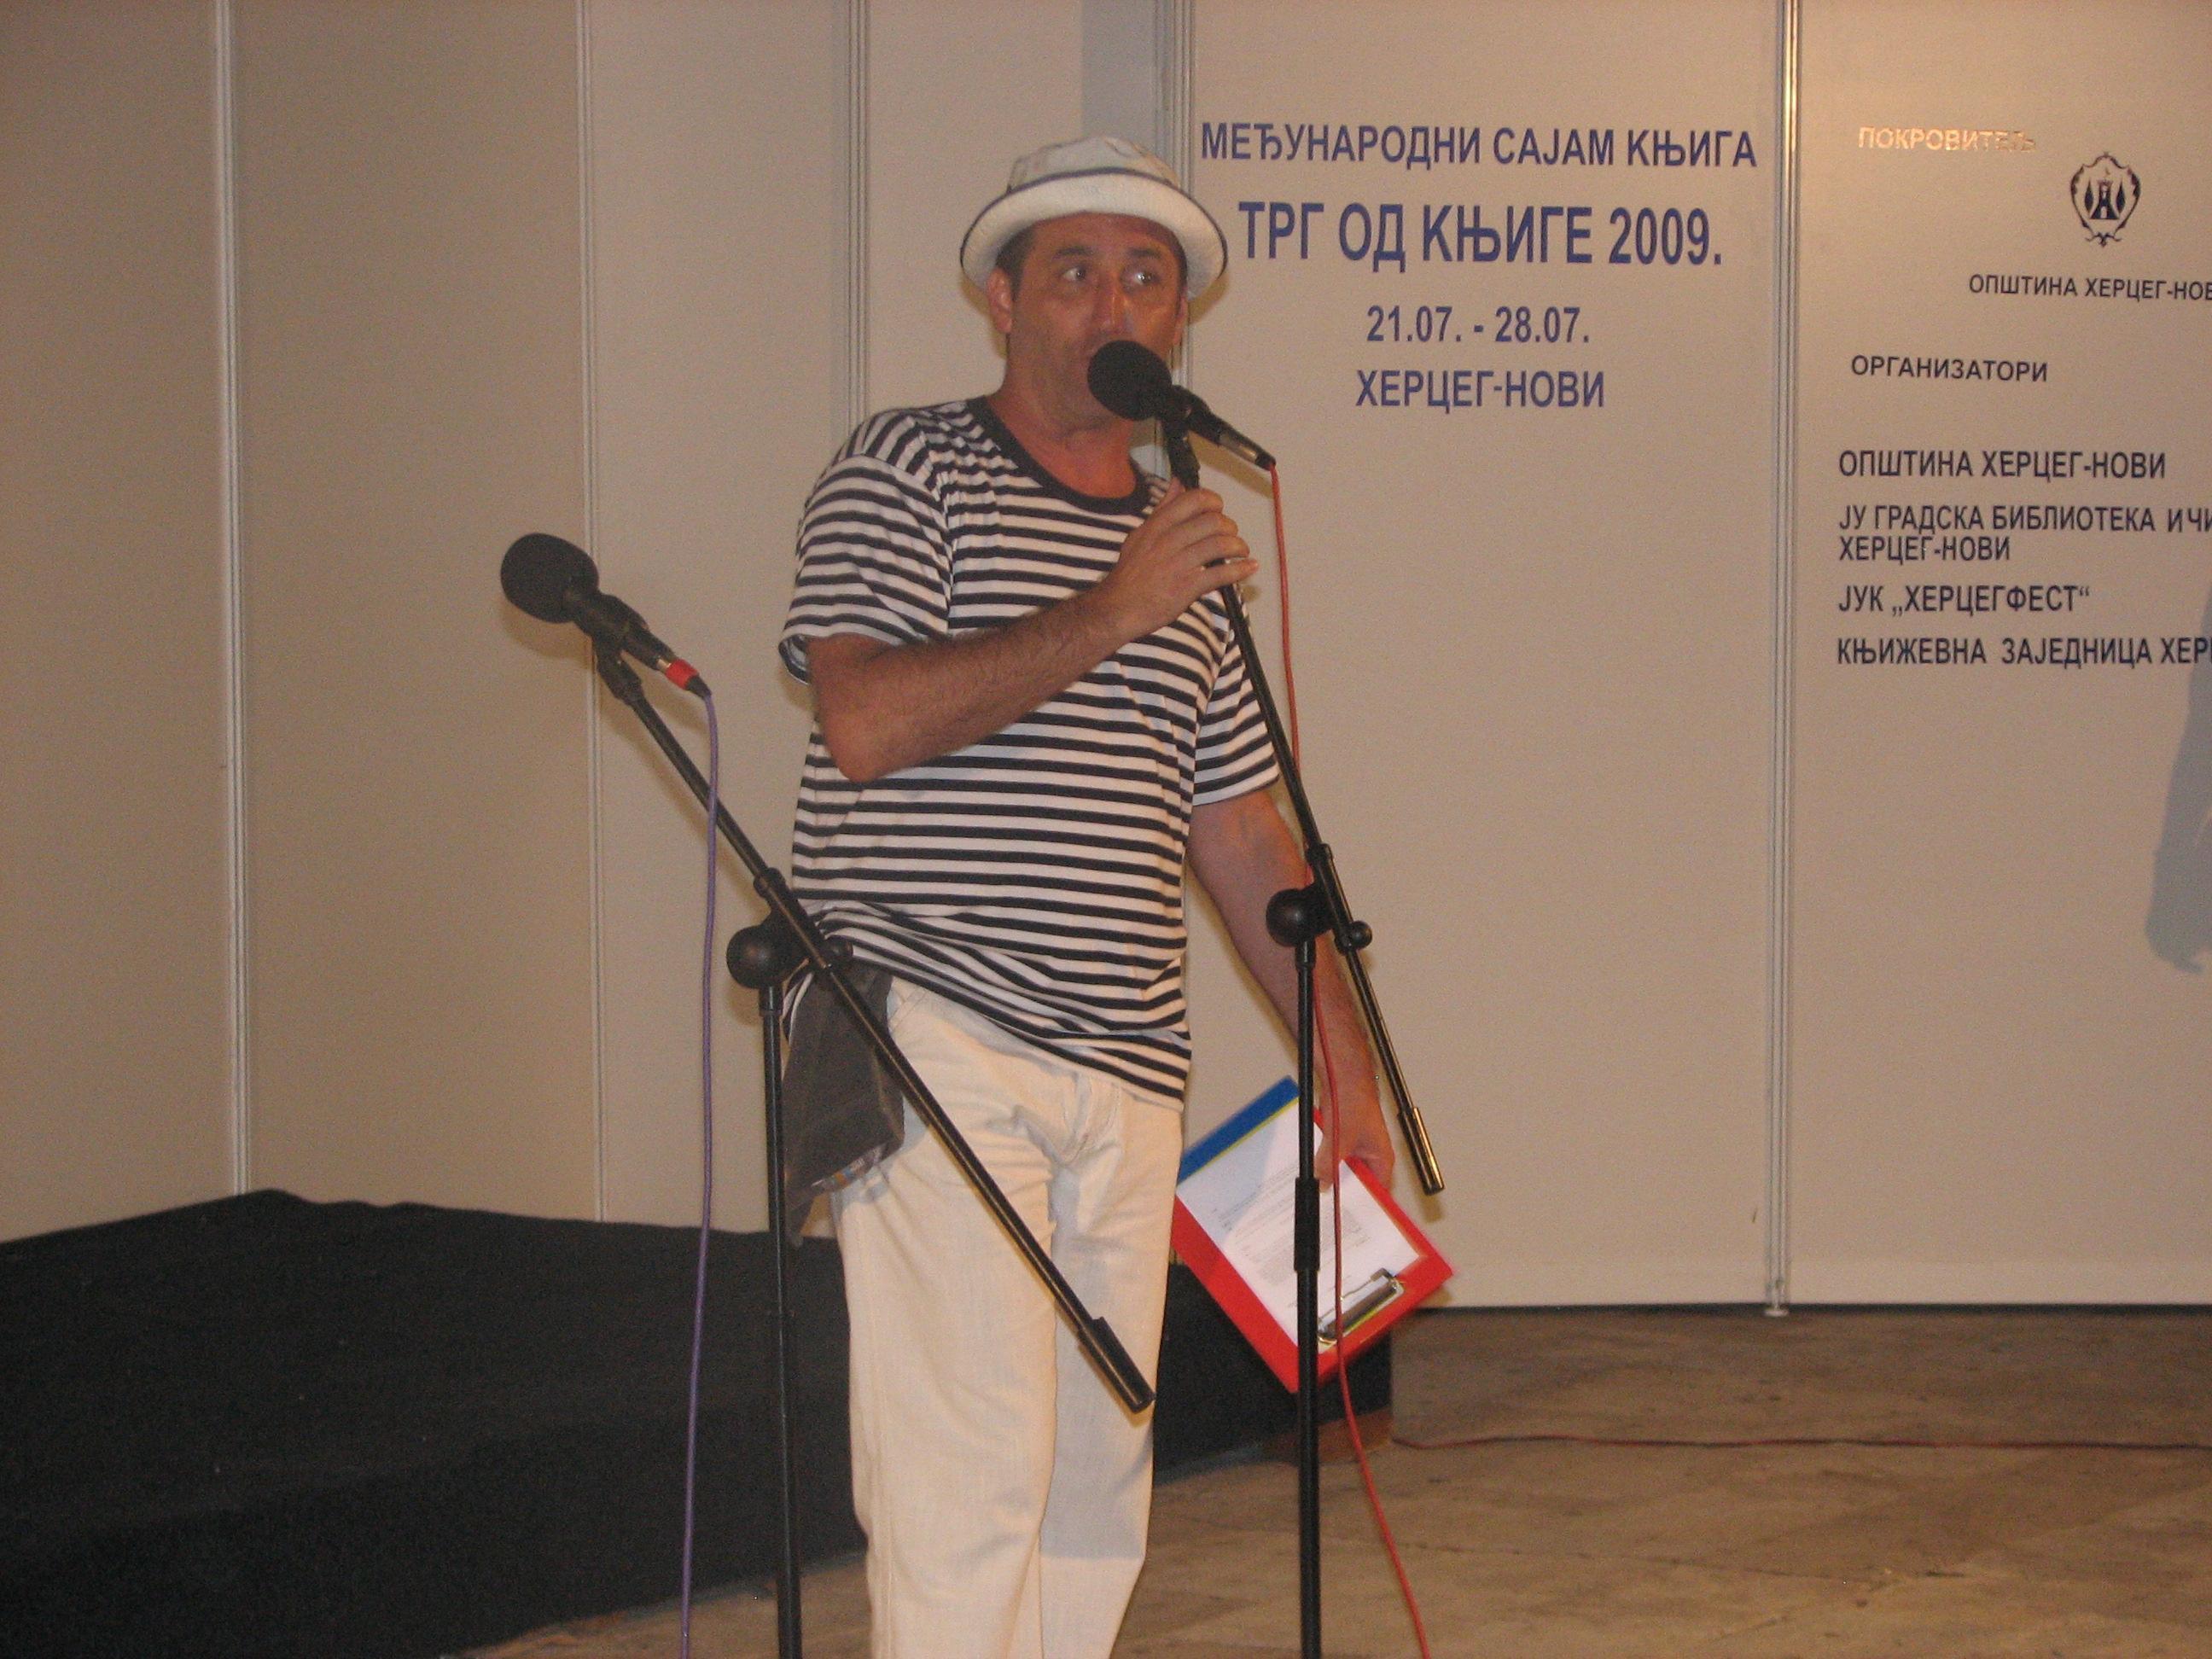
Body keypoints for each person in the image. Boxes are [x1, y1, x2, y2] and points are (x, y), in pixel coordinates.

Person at [777, 134, 1391, 1659]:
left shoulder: (1182, 536)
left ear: (1181, 319)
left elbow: (1239, 829)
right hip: (934, 1028)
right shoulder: (905, 467)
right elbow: (865, 722)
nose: (1113, 306)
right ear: (1002, 299)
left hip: (1125, 1067)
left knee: (1095, 1484)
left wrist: (1346, 1064)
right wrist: (1114, 608)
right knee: (971, 1467)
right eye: (1074, 272)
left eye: (1146, 278)